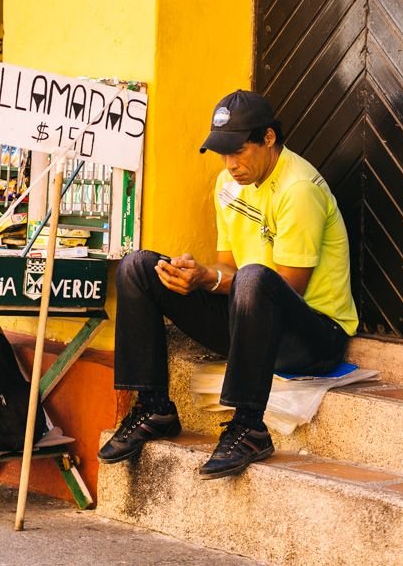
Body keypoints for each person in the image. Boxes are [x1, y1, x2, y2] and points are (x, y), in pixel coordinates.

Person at [97, 89, 358, 479]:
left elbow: (287, 287)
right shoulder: (227, 184)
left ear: (268, 138)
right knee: (140, 267)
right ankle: (154, 407)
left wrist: (212, 278)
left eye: (239, 152)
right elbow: (227, 268)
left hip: (313, 336)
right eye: (224, 153)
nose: (230, 164)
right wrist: (194, 276)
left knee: (254, 279)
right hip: (251, 321)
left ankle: (249, 427)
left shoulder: (298, 189)